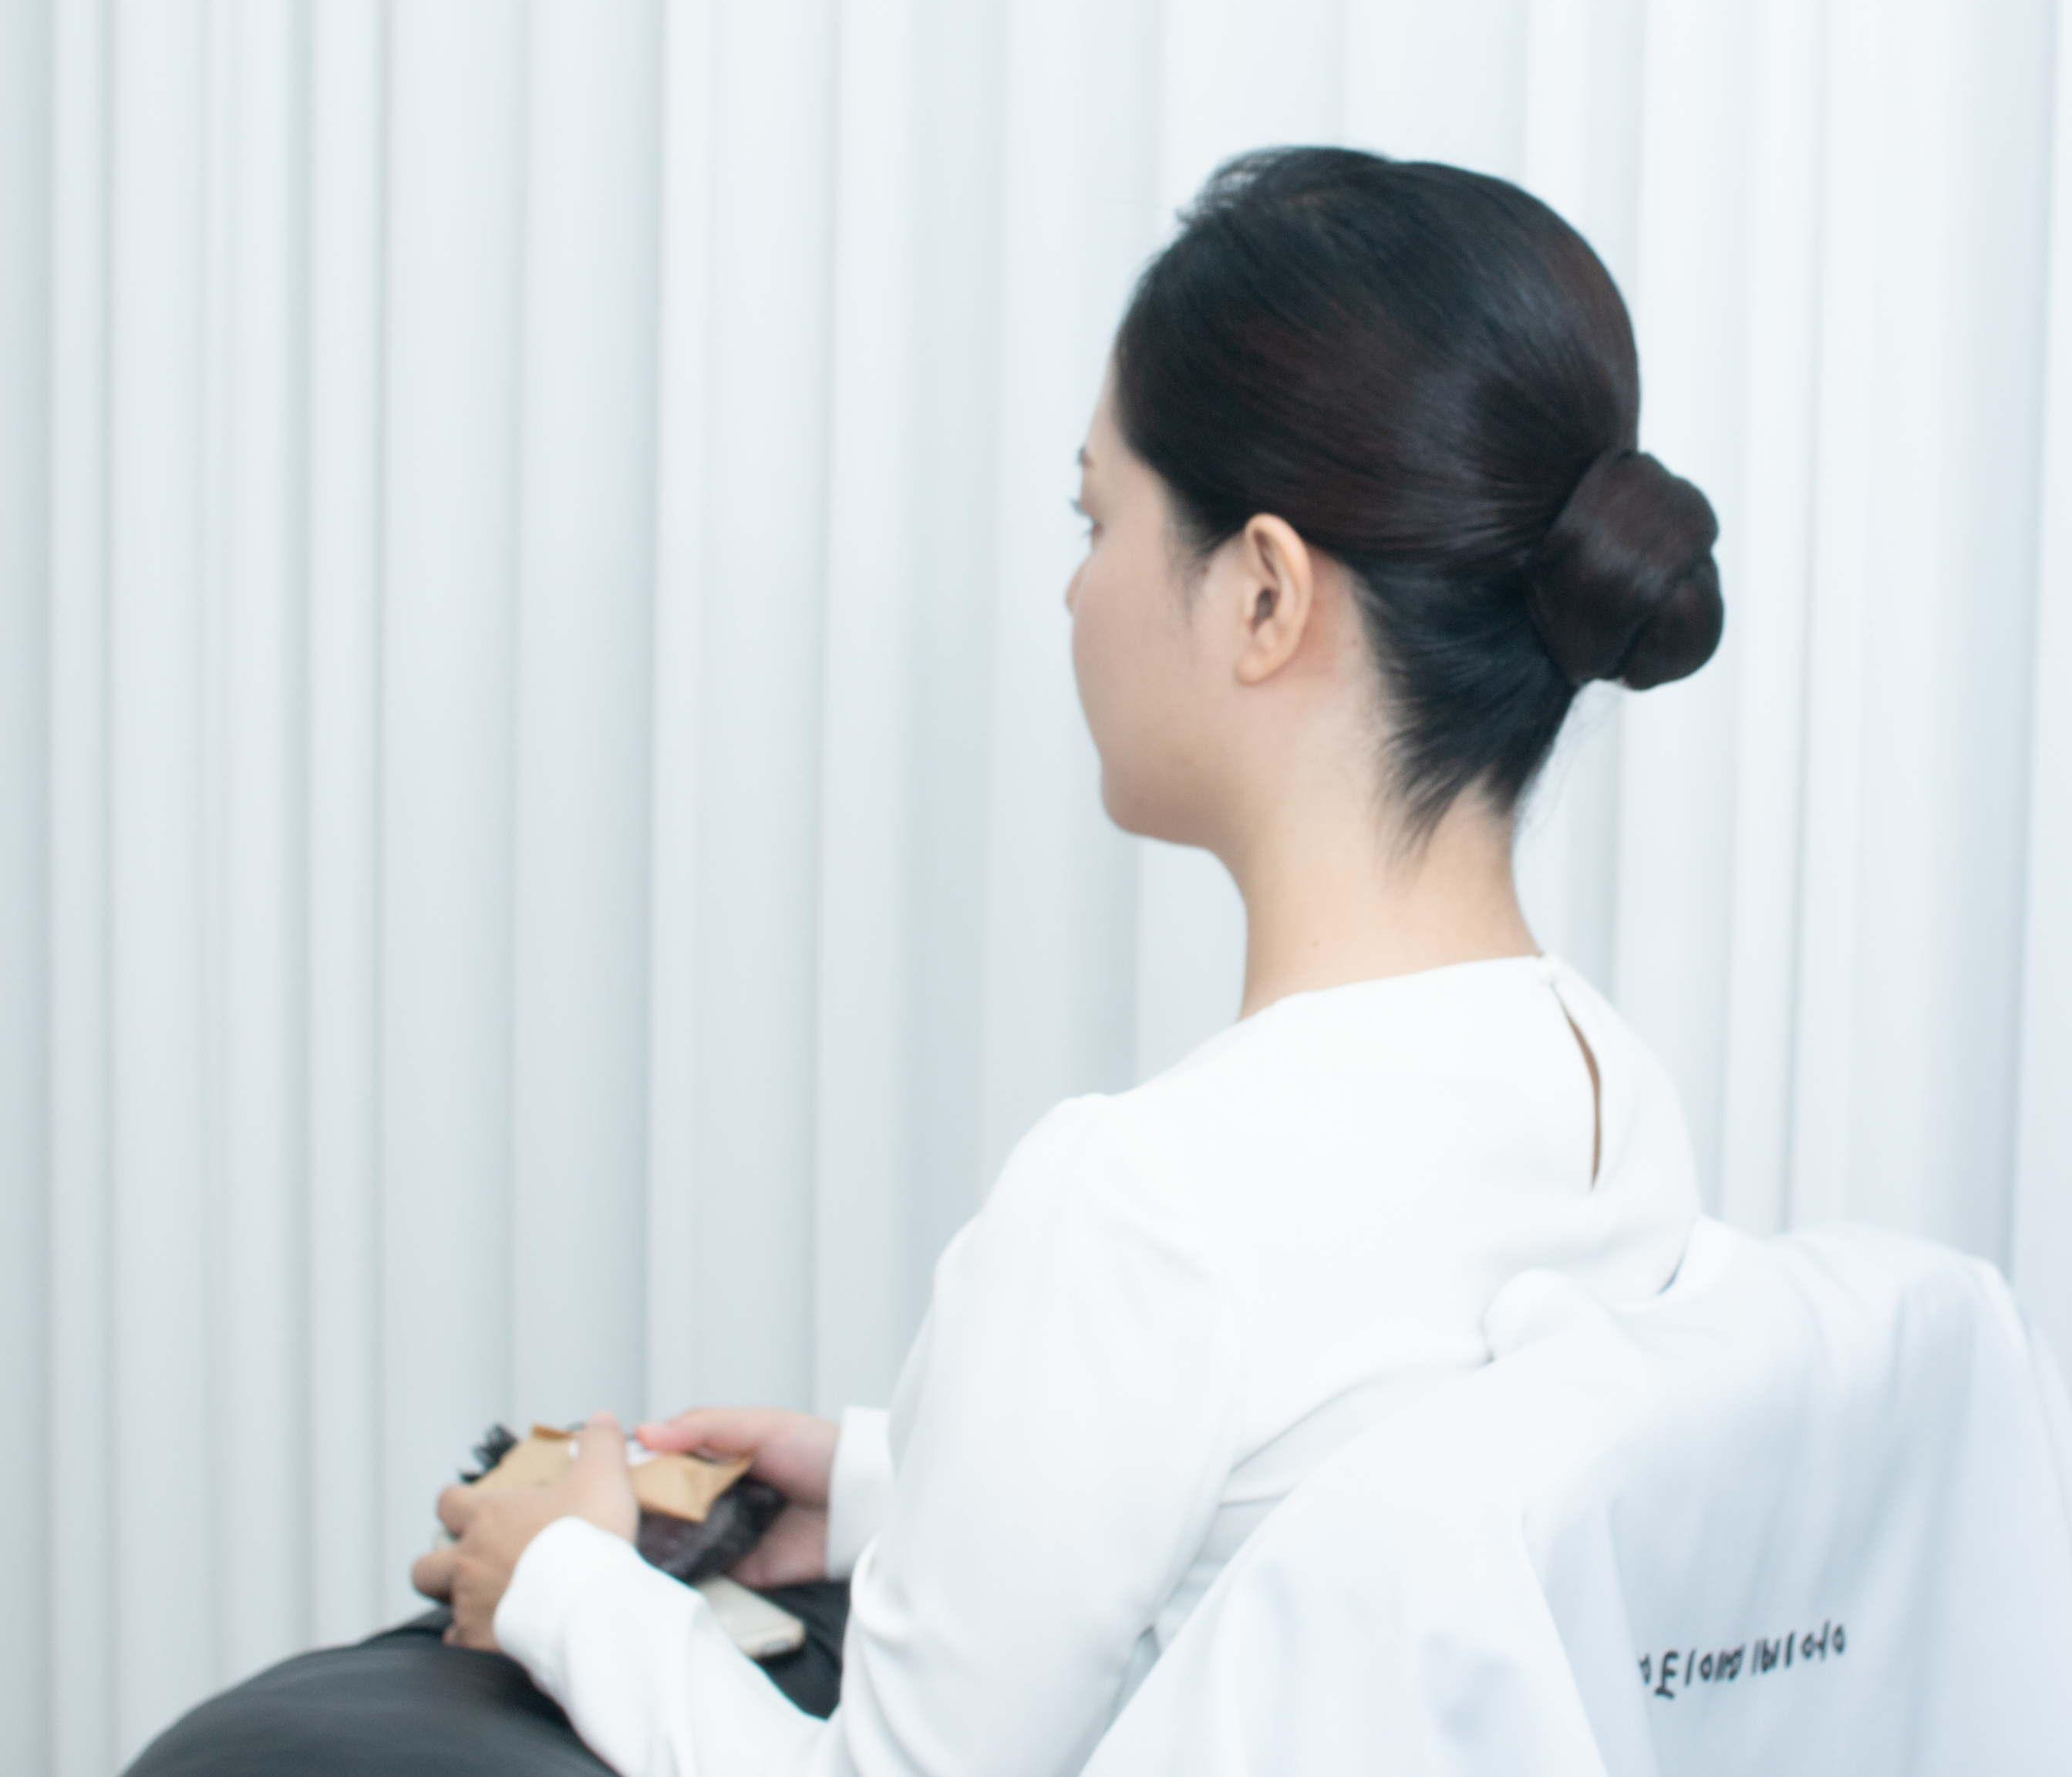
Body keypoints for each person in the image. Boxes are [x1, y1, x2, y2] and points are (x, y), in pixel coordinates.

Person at [410, 145, 1727, 1777]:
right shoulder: (1611, 1097)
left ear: (1263, 595)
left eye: (1097, 517)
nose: (1073, 588)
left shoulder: (1143, 1212)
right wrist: (887, 1489)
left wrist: (563, 1583)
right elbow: (1325, 1536)